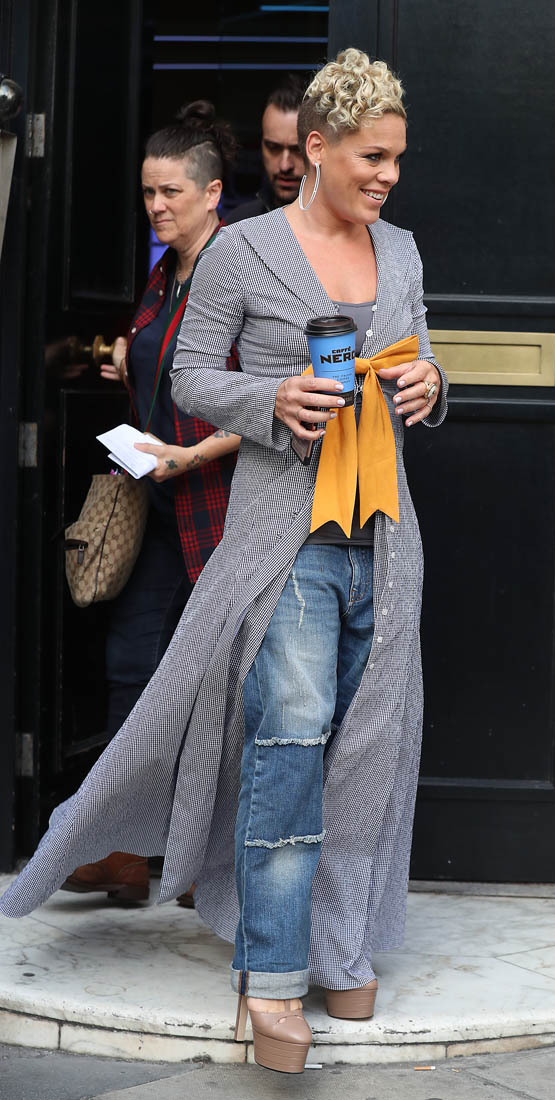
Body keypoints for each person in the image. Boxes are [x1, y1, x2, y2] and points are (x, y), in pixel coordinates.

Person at [0, 48, 447, 1076]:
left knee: (367, 752)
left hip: (385, 537)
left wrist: (431, 384)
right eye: (372, 157)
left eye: (397, 159)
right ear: (318, 148)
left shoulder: (403, 251)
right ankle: (274, 976)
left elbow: (420, 355)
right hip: (283, 539)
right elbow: (192, 375)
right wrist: (270, 397)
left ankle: (339, 947)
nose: (388, 176)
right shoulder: (245, 251)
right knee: (287, 745)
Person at [61, 101, 242, 907]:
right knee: (133, 663)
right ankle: (124, 847)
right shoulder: (166, 272)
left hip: (225, 511)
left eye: (170, 192)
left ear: (212, 193)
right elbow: (163, 362)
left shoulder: (239, 274)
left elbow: (274, 399)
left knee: (222, 685)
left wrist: (192, 453)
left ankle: (211, 861)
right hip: (163, 507)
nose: (156, 206)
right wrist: (128, 366)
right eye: (147, 192)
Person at [226, 74, 306, 222]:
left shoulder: (344, 227)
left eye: (297, 150)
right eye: (273, 148)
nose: (285, 166)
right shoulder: (239, 225)